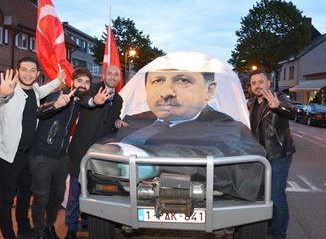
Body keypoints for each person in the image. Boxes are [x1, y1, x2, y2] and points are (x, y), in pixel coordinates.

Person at [89, 68, 265, 199]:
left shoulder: (230, 128)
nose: (166, 92)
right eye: (157, 81)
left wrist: (145, 161)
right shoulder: (133, 120)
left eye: (182, 81)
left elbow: (238, 153)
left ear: (209, 90)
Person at [0, 57, 64, 239]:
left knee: (26, 194)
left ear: (37, 74)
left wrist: (58, 80)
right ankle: (9, 238)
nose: (28, 74)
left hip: (29, 154)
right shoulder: (9, 91)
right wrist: (0, 94)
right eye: (24, 70)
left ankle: (24, 230)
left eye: (32, 70)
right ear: (17, 71)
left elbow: (43, 91)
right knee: (7, 199)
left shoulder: (34, 89)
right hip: (8, 156)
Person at [29, 68, 110, 239]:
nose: (82, 85)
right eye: (79, 80)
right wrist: (55, 105)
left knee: (56, 198)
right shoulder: (60, 94)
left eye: (86, 82)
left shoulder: (78, 100)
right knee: (41, 199)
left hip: (61, 157)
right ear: (72, 82)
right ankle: (39, 238)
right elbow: (40, 112)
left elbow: (87, 102)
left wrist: (94, 101)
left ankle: (49, 228)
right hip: (42, 155)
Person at [63, 65, 127, 239]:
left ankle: (88, 222)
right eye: (110, 73)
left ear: (119, 78)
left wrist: (117, 121)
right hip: (81, 152)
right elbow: (85, 101)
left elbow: (111, 119)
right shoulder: (91, 89)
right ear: (104, 75)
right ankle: (71, 229)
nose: (113, 76)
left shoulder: (119, 99)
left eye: (116, 74)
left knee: (95, 192)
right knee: (75, 193)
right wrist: (94, 101)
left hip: (101, 156)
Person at [248, 70, 296, 239]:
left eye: (261, 81)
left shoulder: (278, 97)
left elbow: (292, 111)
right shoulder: (253, 103)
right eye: (253, 83)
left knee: (277, 196)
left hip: (278, 154)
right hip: (260, 157)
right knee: (262, 194)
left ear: (269, 83)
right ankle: (270, 225)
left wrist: (278, 106)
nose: (257, 85)